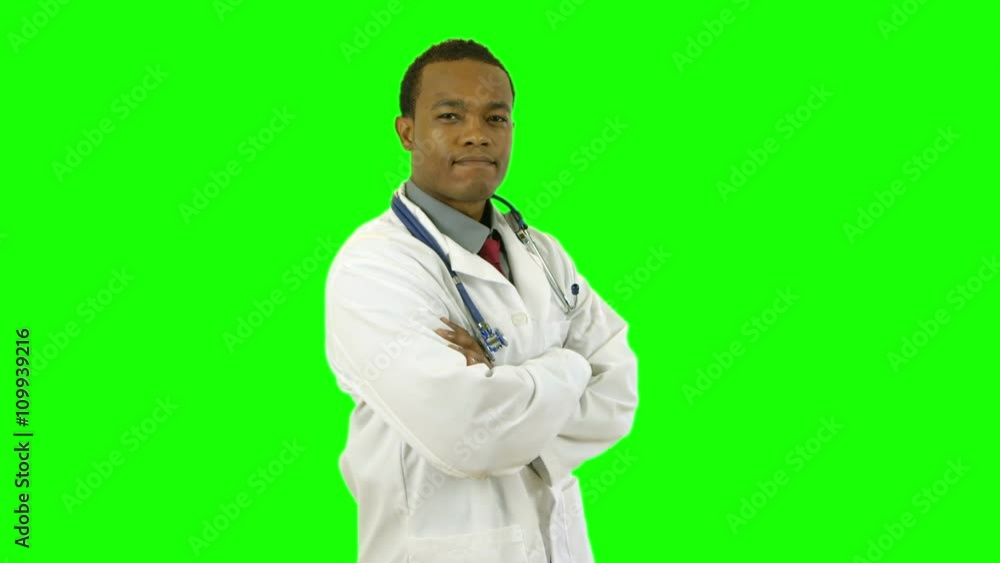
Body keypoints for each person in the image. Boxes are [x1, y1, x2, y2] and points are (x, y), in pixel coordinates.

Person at [325, 38, 638, 563]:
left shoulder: (542, 252)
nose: (477, 134)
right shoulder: (374, 268)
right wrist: (570, 366)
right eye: (450, 116)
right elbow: (466, 432)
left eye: (496, 118)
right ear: (407, 132)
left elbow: (618, 395)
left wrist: (501, 385)